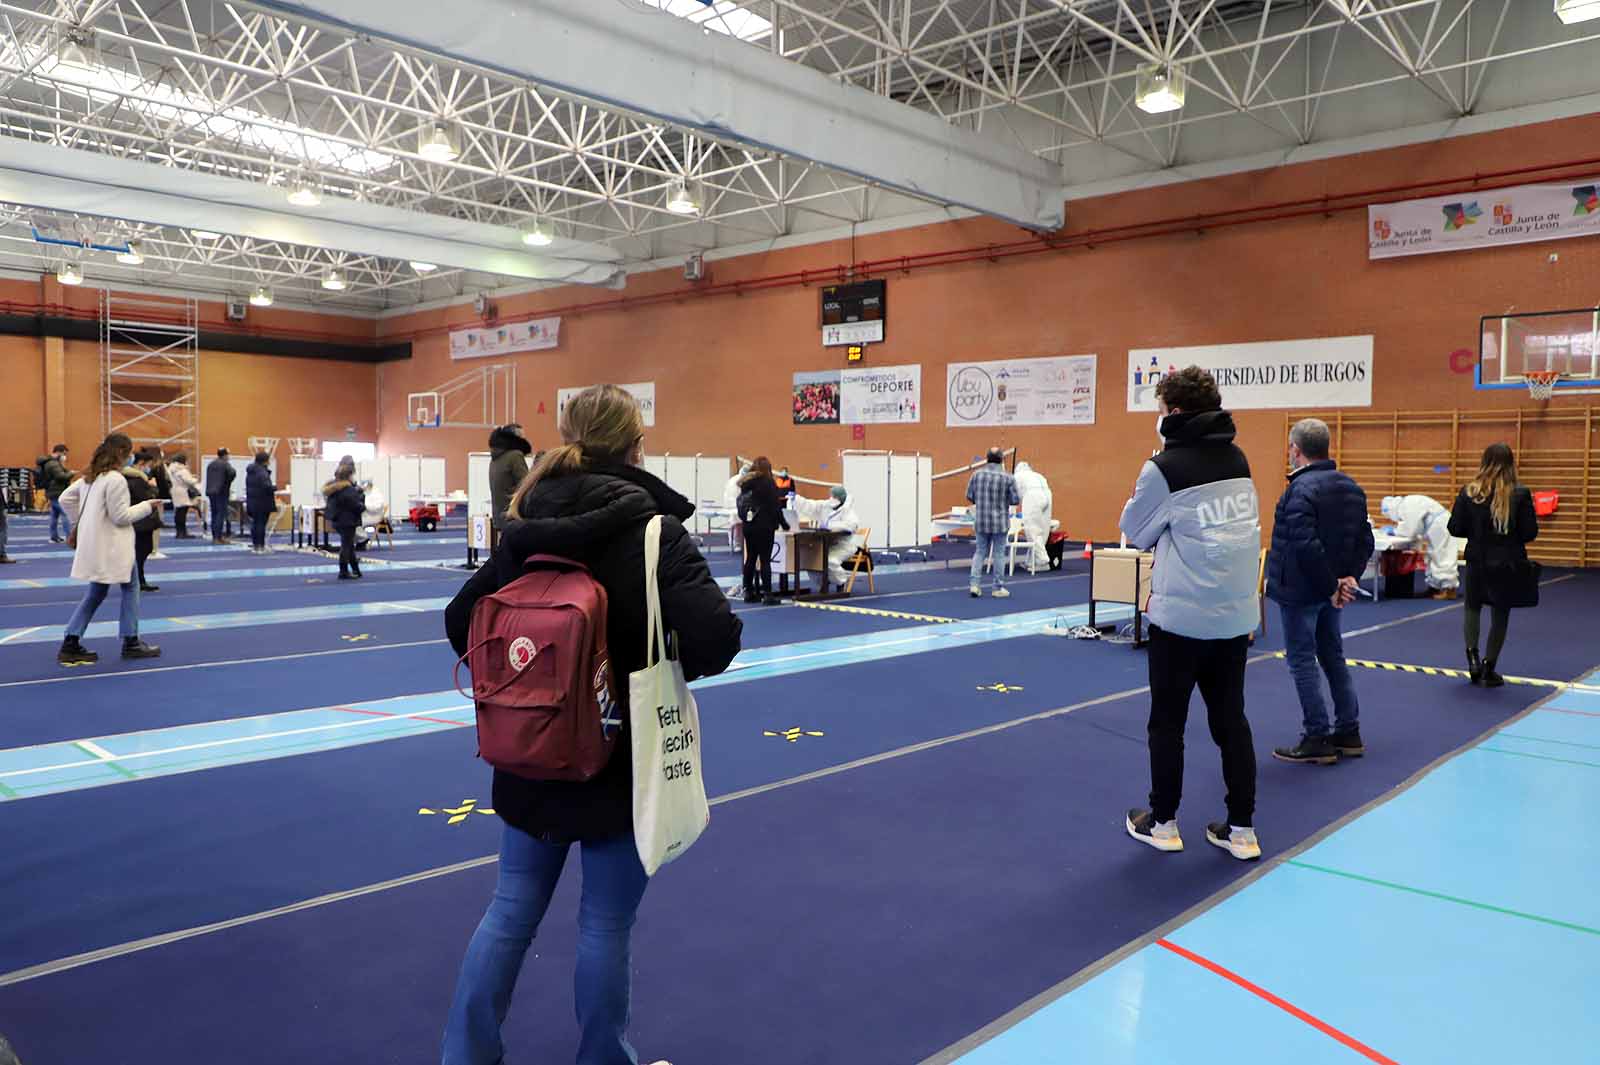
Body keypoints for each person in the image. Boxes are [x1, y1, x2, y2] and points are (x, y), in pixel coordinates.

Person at [441, 384, 741, 1065]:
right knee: (605, 923)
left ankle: (464, 1055)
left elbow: (461, 621)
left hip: (527, 748)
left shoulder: (525, 525)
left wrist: (521, 676)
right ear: (636, 445)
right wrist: (655, 655)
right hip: (619, 758)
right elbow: (717, 638)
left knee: (509, 911)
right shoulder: (652, 530)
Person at [1118, 366, 1261, 861]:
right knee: (1231, 723)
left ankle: (1163, 823)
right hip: (1234, 618)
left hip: (1181, 620)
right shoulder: (1238, 459)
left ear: (1173, 412)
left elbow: (1135, 532)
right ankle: (1242, 829)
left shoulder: (1162, 468)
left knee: (1167, 724)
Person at [1265, 419, 1375, 766]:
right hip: (1331, 590)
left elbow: (1304, 545)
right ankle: (1349, 731)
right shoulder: (1352, 487)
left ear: (1295, 450)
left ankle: (1317, 735)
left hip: (1303, 590)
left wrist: (1333, 585)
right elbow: (1365, 541)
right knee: (1332, 657)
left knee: (1302, 661)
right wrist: (1346, 581)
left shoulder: (1299, 491)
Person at [55, 433, 162, 665]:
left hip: (96, 545)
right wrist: (147, 506)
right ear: (123, 453)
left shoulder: (89, 477)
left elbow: (65, 499)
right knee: (131, 587)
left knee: (96, 593)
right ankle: (131, 641)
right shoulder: (115, 479)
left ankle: (71, 641)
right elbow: (121, 517)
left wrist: (79, 524)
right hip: (114, 546)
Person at [1449, 444, 1539, 688]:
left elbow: (1454, 528)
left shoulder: (1469, 492)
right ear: (1511, 464)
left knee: (1472, 607)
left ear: (1484, 461)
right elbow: (1530, 532)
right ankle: (1489, 667)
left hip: (1477, 559)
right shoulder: (1520, 493)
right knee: (1500, 613)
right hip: (1507, 562)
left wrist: (1477, 531)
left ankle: (1473, 659)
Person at [1381, 494, 1462, 599]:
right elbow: (1415, 527)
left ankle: (1449, 589)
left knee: (1442, 557)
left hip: (1440, 527)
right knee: (1433, 557)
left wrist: (1395, 531)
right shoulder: (1407, 504)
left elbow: (1411, 530)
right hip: (1435, 527)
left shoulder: (1407, 505)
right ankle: (1435, 587)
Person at [965, 447, 1019, 599]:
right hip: (1000, 522)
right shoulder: (1008, 478)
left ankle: (974, 585)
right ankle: (997, 587)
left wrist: (982, 501)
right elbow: (1015, 500)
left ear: (987, 458)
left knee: (980, 552)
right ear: (1002, 459)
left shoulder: (976, 475)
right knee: (999, 554)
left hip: (981, 520)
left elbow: (969, 495)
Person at [792, 485, 865, 591]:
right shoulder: (826, 505)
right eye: (831, 495)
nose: (831, 498)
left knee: (830, 561)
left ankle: (841, 582)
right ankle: (823, 583)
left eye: (834, 496)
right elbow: (810, 505)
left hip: (844, 545)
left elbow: (851, 525)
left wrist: (829, 525)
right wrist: (796, 499)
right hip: (827, 543)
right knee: (812, 561)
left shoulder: (848, 511)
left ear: (841, 498)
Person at [738, 456, 789, 605]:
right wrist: (784, 523)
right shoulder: (768, 483)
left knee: (751, 559)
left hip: (748, 525)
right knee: (765, 560)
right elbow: (775, 506)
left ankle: (748, 591)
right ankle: (768, 594)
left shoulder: (745, 483)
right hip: (764, 525)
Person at [126, 449, 163, 593]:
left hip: (138, 520)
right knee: (141, 551)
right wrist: (153, 487)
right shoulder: (137, 479)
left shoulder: (133, 477)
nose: (149, 467)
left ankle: (138, 579)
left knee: (142, 550)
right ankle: (137, 580)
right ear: (141, 464)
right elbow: (146, 498)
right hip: (140, 521)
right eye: (148, 464)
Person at [322, 458, 366, 579]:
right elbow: (357, 506)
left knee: (349, 546)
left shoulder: (334, 488)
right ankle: (343, 571)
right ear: (349, 476)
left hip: (338, 520)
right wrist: (362, 501)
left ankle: (355, 569)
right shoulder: (348, 490)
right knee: (346, 546)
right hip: (348, 521)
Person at [488, 423, 533, 531]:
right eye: (521, 437)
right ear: (513, 438)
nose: (524, 439)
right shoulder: (515, 456)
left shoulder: (495, 458)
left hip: (499, 518)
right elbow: (527, 486)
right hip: (514, 518)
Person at [1013, 461, 1053, 572]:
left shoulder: (1017, 476)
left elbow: (1014, 497)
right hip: (1048, 495)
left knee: (1032, 530)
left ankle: (1042, 560)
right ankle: (1032, 561)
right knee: (1044, 529)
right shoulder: (1038, 475)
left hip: (1032, 496)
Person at [245, 451, 277, 553]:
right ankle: (261, 546)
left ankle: (256, 546)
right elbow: (266, 487)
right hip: (262, 502)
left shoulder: (251, 471)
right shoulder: (262, 472)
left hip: (252, 501)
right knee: (261, 524)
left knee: (255, 524)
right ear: (266, 461)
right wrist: (274, 487)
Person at [167, 452, 203, 538]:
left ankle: (179, 532)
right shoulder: (182, 470)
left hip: (175, 491)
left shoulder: (171, 469)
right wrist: (196, 480)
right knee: (182, 513)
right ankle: (183, 533)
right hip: (183, 492)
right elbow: (189, 481)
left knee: (178, 513)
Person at [41, 444, 72, 542]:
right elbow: (61, 477)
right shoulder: (53, 463)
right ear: (59, 452)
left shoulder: (50, 462)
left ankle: (54, 536)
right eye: (64, 453)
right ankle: (70, 537)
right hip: (57, 492)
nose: (65, 456)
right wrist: (71, 473)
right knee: (65, 514)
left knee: (54, 516)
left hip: (52, 491)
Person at [205, 447, 236, 542]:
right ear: (225, 455)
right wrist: (227, 483)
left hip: (211, 492)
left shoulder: (211, 464)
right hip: (221, 492)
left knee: (214, 514)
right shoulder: (225, 464)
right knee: (220, 515)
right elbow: (232, 473)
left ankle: (215, 536)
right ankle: (218, 537)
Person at [146, 446, 172, 560]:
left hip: (155, 497)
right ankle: (153, 550)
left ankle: (153, 549)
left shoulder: (153, 467)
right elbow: (162, 483)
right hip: (157, 497)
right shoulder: (158, 467)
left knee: (154, 524)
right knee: (155, 524)